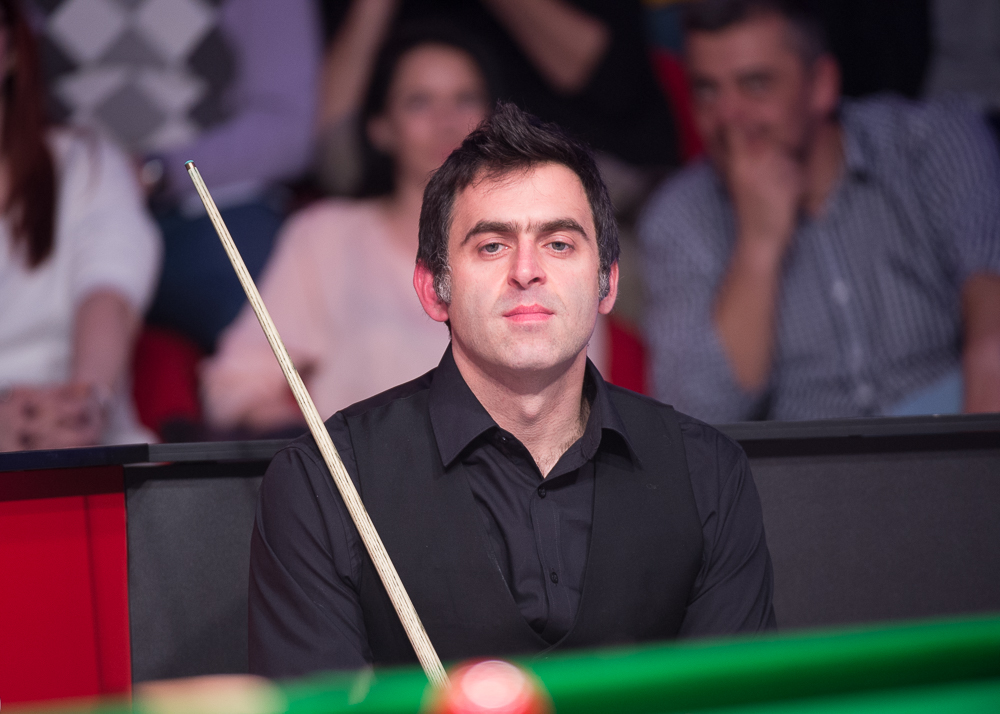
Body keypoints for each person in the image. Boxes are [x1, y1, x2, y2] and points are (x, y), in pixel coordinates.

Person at [247, 102, 775, 677]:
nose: (526, 270)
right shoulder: (321, 482)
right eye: (492, 245)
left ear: (607, 284)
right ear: (434, 290)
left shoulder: (708, 473)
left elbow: (735, 700)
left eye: (559, 244)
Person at [639, 0, 1000, 422]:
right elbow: (695, 419)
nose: (727, 117)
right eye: (707, 90)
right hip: (807, 456)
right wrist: (759, 244)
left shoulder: (931, 141)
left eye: (756, 84)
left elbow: (993, 333)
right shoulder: (677, 218)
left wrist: (970, 458)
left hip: (956, 429)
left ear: (822, 84)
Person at [201, 27, 493, 433]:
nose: (446, 121)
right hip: (364, 470)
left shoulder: (534, 237)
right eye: (419, 101)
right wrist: (310, 448)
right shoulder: (327, 237)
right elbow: (236, 381)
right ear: (380, 128)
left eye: (464, 99)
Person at [28, 0, 321, 353]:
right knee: (33, 322)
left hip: (208, 207)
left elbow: (286, 132)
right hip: (58, 202)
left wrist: (159, 169)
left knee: (271, 314)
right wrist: (93, 181)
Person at [0, 0, 161, 451]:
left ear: (12, 46)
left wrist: (84, 402)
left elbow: (109, 294)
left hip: (90, 443)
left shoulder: (86, 161)